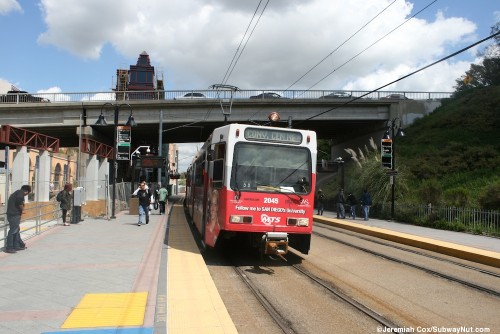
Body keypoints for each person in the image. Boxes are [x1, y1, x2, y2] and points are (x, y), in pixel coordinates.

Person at [5, 185, 32, 254]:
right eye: (27, 194)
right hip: (14, 215)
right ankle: (9, 247)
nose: (26, 195)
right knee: (13, 231)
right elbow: (19, 200)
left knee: (16, 230)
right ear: (26, 192)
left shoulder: (16, 193)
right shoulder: (20, 193)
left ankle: (17, 245)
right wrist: (22, 209)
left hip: (12, 214)